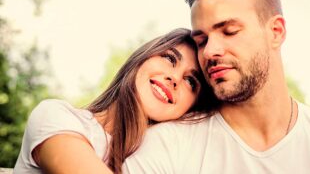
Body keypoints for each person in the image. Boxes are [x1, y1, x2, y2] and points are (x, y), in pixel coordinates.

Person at [123, 0, 310, 173]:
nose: (210, 51)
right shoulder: (166, 147)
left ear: (275, 32)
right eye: (201, 41)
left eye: (229, 31)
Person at [14, 28, 213, 174]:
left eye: (190, 81)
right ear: (141, 59)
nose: (175, 78)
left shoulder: (161, 158)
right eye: (170, 59)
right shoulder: (55, 116)